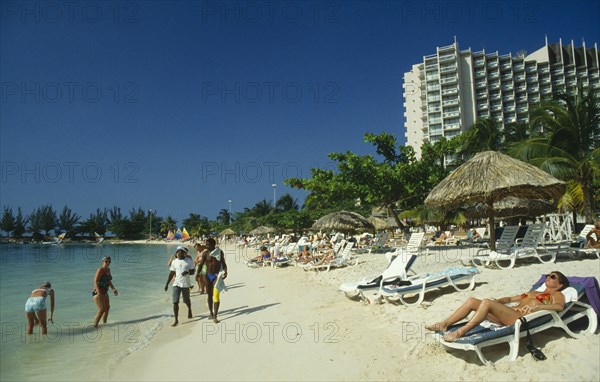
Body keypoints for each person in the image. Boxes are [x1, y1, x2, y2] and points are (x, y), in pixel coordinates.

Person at [425, 271, 570, 342]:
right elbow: (510, 298)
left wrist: (538, 308)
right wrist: (498, 301)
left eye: (552, 277)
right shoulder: (533, 292)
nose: (548, 277)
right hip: (507, 315)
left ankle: (460, 332)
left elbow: (559, 307)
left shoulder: (556, 295)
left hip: (520, 319)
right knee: (471, 301)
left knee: (487, 303)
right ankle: (444, 324)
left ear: (560, 284)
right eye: (548, 275)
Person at [197, 238, 228, 323]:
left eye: (208, 245)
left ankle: (215, 316)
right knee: (209, 295)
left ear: (213, 245)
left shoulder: (219, 252)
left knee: (216, 295)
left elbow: (223, 263)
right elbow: (201, 264)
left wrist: (226, 271)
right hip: (207, 275)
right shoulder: (205, 253)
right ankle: (211, 313)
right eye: (206, 244)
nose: (206, 246)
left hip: (216, 276)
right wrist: (197, 274)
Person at [165, 247, 195, 326]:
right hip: (176, 284)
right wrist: (167, 284)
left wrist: (187, 272)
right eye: (178, 252)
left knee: (186, 300)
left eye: (182, 252)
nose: (180, 253)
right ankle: (176, 320)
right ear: (176, 253)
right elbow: (171, 273)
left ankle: (189, 310)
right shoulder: (174, 262)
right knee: (175, 302)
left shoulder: (189, 261)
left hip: (185, 284)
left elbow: (193, 272)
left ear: (185, 253)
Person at [93, 256, 118, 328]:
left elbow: (108, 281)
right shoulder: (100, 269)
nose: (108, 263)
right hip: (98, 292)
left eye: (109, 261)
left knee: (107, 307)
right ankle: (95, 326)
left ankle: (104, 324)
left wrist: (113, 289)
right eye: (106, 261)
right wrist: (98, 292)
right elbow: (95, 281)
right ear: (103, 261)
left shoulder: (108, 270)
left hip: (105, 291)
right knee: (102, 309)